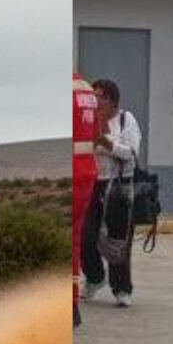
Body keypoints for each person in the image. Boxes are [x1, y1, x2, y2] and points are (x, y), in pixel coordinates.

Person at [82, 77, 142, 307]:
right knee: (86, 236)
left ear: (113, 100)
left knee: (118, 239)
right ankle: (95, 278)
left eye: (103, 97)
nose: (98, 102)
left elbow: (132, 154)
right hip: (94, 183)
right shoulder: (89, 120)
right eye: (94, 97)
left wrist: (107, 144)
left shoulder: (126, 120)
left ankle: (122, 288)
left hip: (118, 185)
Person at [71, 73, 100, 326]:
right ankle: (72, 305)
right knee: (74, 240)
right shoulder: (86, 89)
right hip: (86, 171)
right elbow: (97, 132)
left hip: (67, 172)